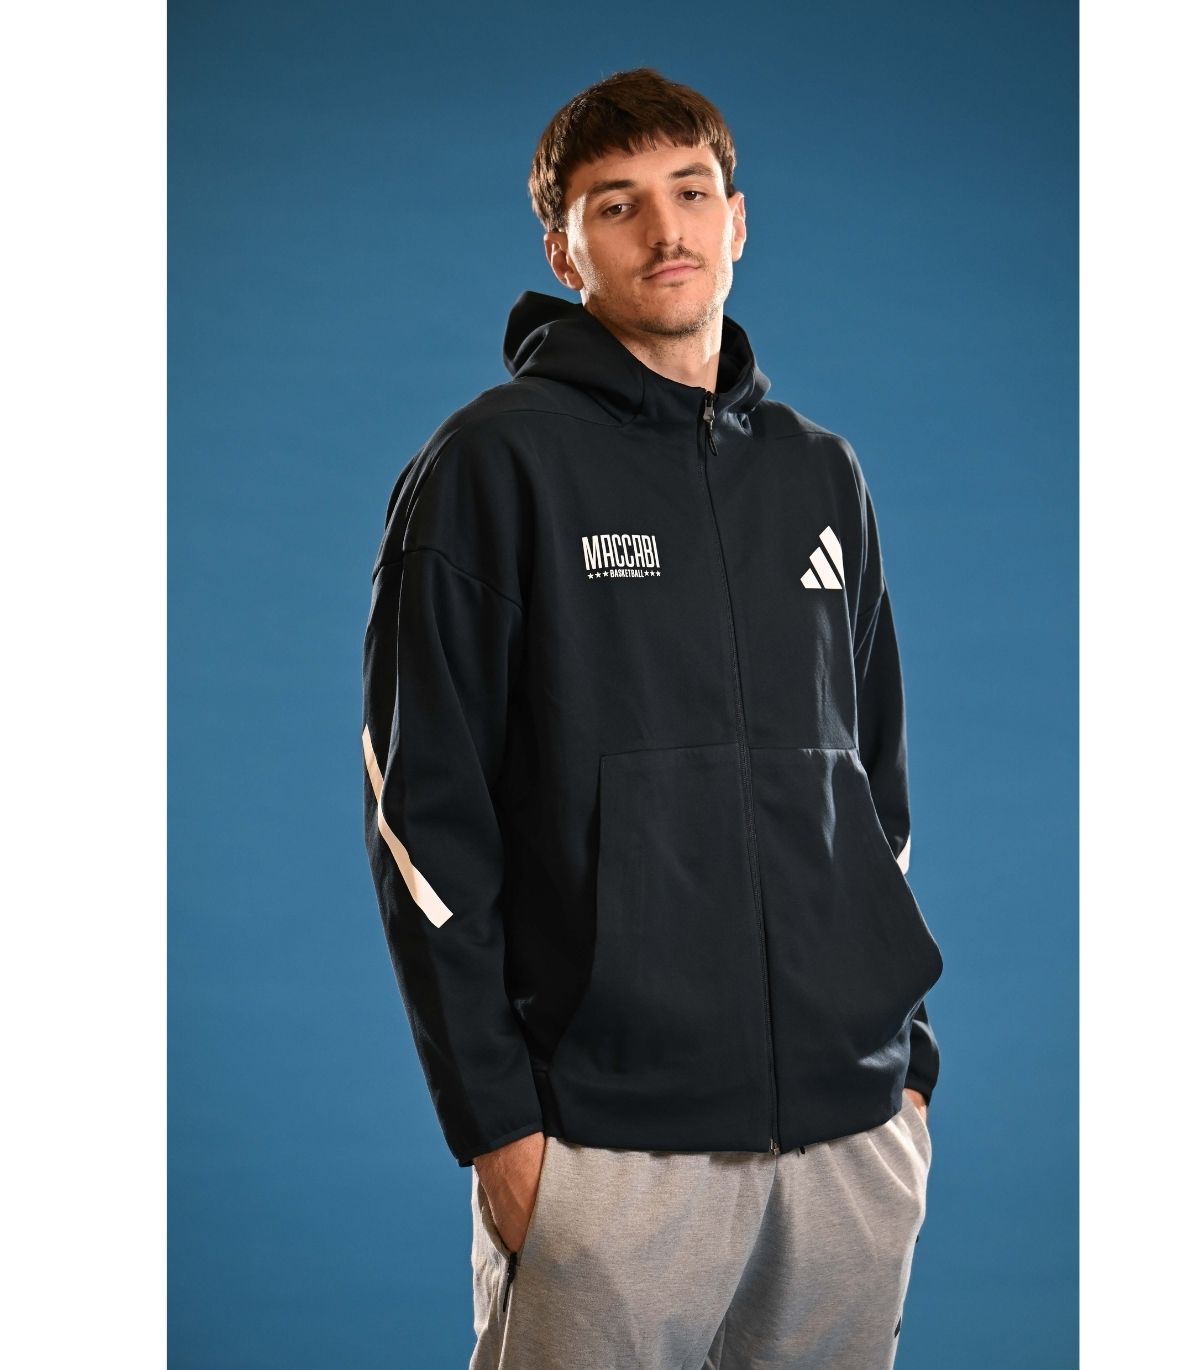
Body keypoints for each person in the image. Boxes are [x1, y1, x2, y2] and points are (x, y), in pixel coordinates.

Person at [362, 66, 944, 1369]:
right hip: (607, 1153)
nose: (665, 229)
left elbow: (874, 795)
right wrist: (502, 1132)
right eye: (616, 204)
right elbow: (424, 823)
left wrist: (901, 1068)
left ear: (737, 219)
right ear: (565, 250)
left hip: (849, 1141)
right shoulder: (491, 467)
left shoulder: (819, 474)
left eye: (691, 191)